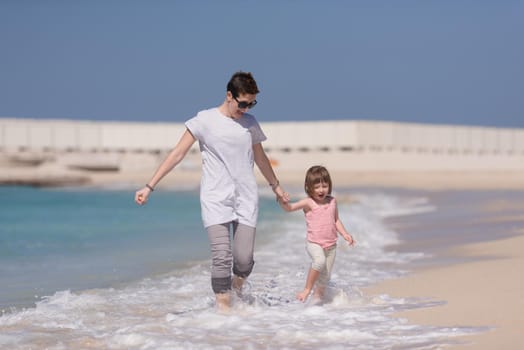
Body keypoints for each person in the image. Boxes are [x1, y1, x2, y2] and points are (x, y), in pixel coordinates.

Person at [134, 71, 288, 311]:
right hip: (215, 198)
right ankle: (224, 311)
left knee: (244, 262)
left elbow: (260, 157)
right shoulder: (204, 120)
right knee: (221, 256)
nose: (246, 108)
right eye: (243, 103)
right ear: (229, 95)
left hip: (246, 198)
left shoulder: (250, 123)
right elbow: (177, 154)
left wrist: (276, 187)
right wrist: (149, 185)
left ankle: (236, 290)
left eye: (252, 103)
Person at [278, 165, 354, 303]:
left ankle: (316, 302)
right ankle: (307, 289)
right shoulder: (308, 202)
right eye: (317, 187)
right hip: (314, 243)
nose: (321, 190)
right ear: (309, 187)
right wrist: (281, 200)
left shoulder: (332, 201)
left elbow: (336, 220)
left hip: (331, 247)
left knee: (324, 279)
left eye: (324, 186)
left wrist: (345, 234)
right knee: (318, 262)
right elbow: (289, 208)